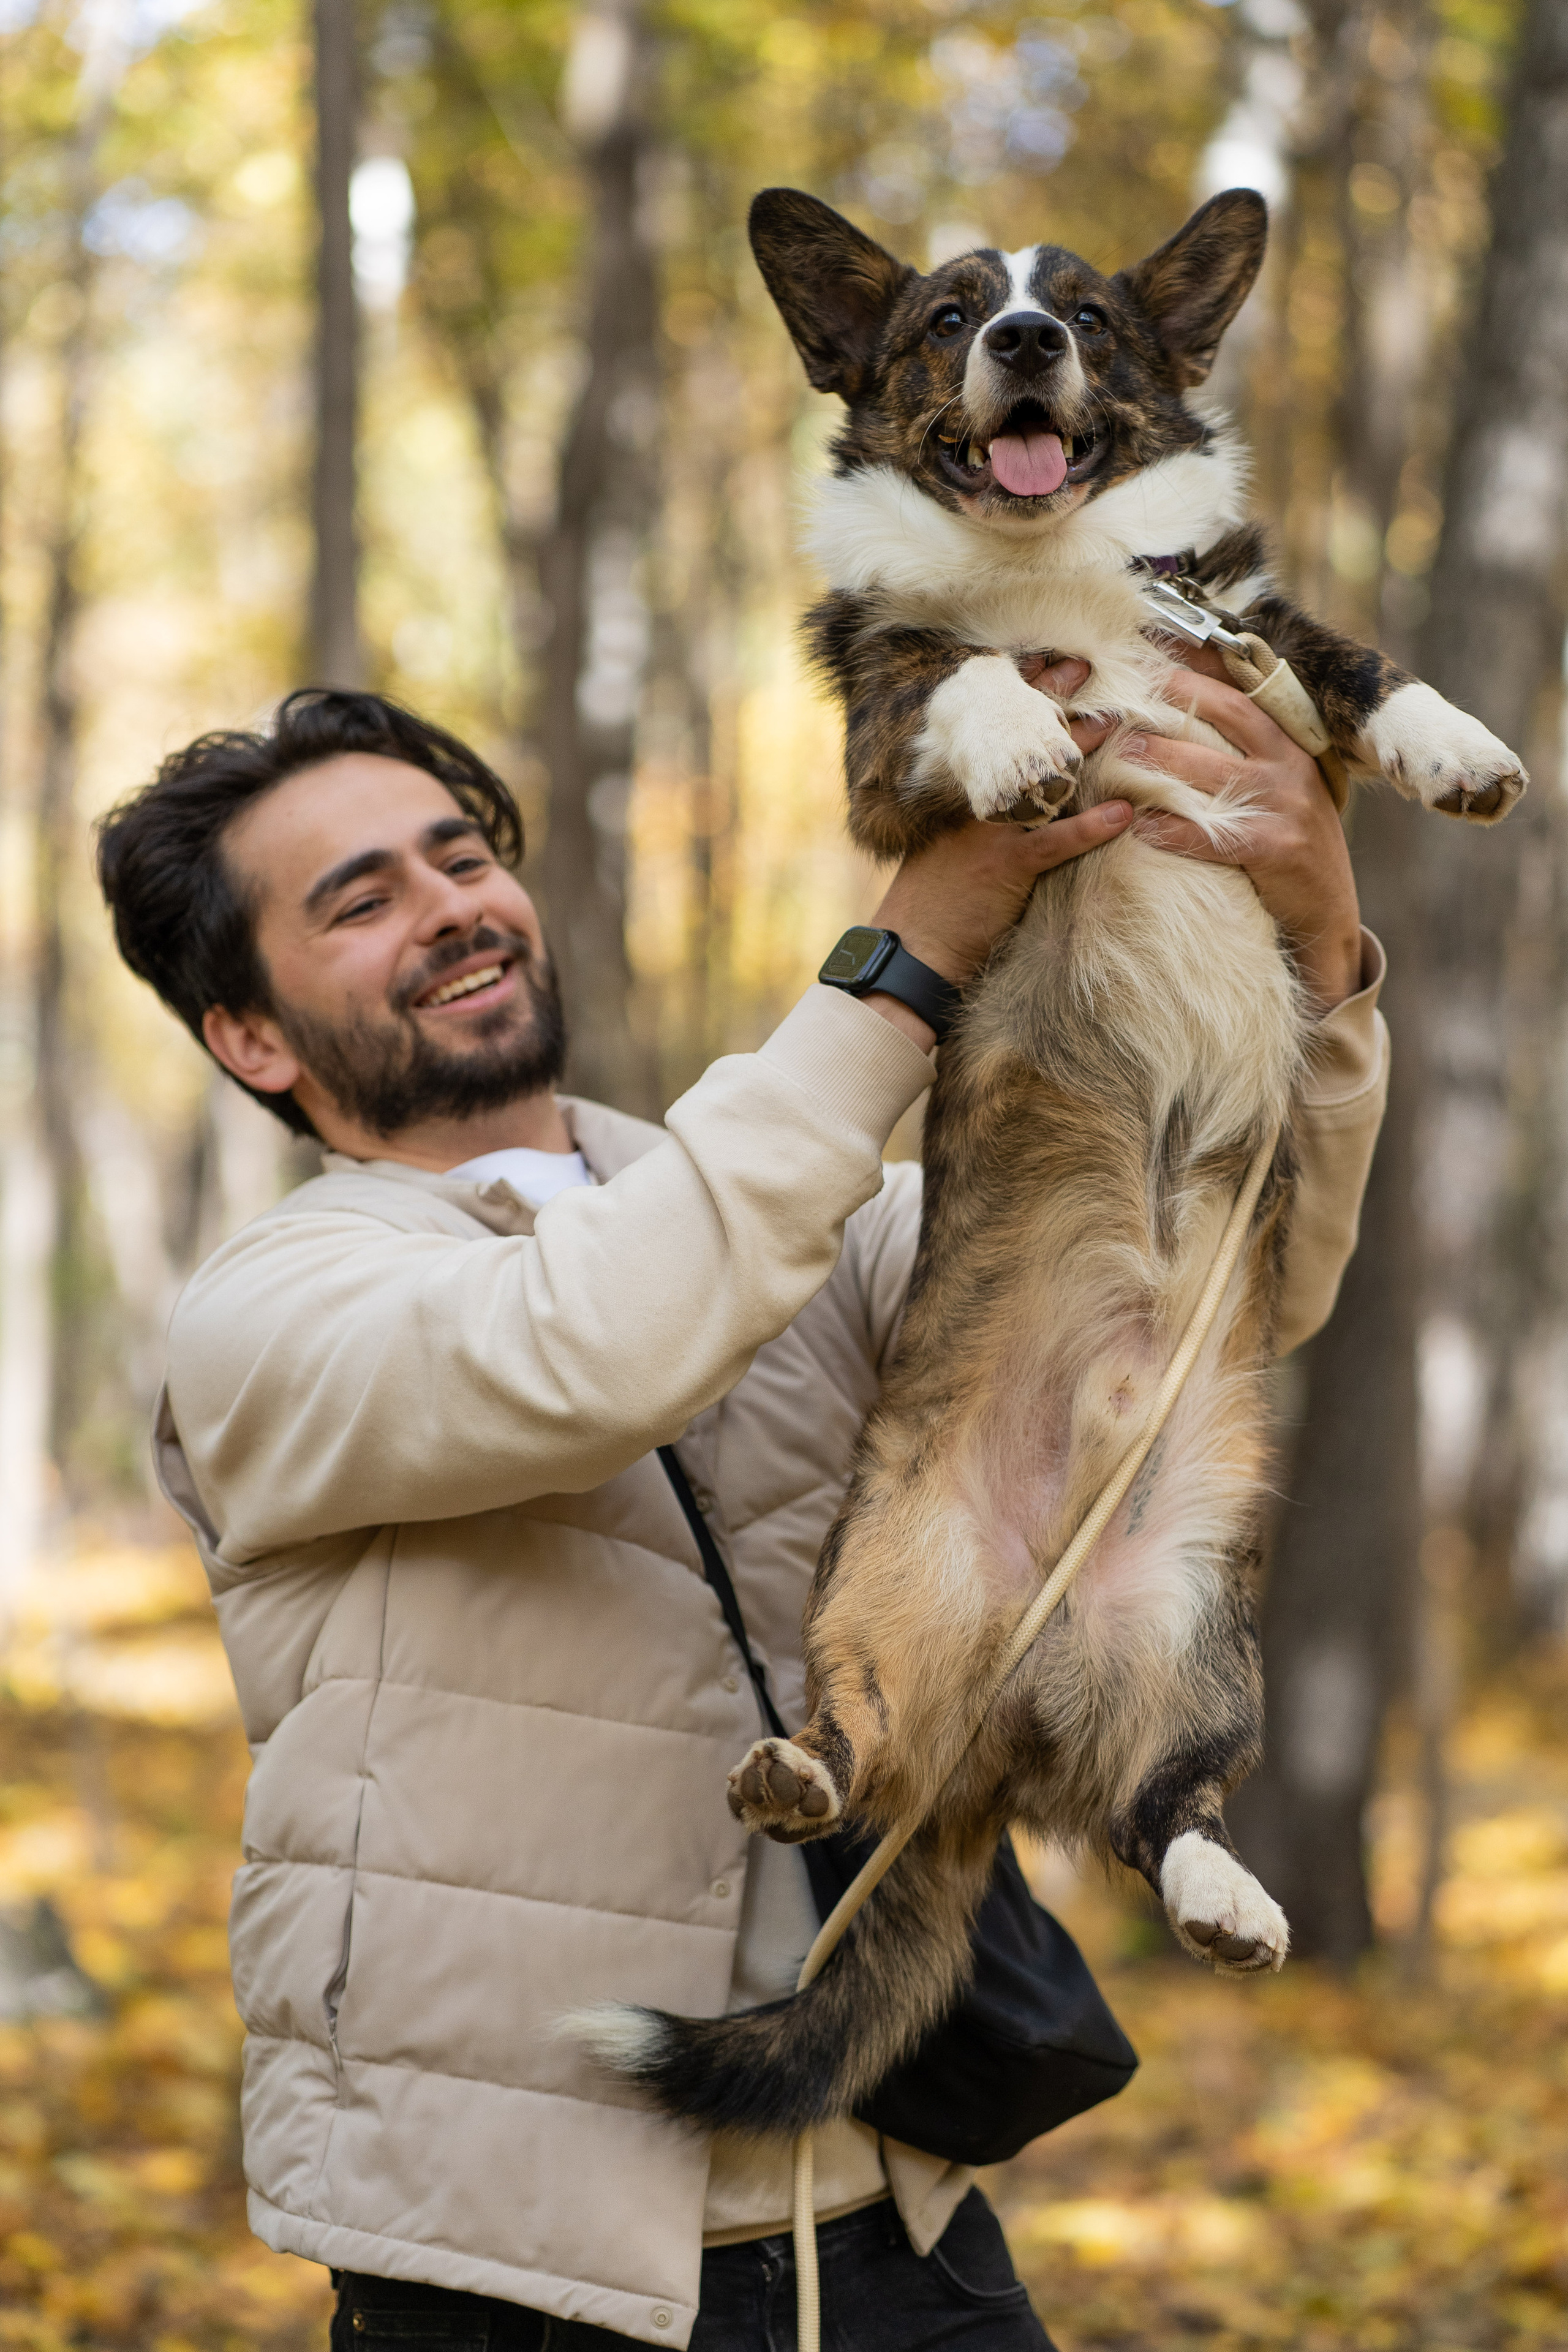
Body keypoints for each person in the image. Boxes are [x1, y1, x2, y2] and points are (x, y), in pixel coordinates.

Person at [97, 661, 1385, 2351]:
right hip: (512, 2273)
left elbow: (1213, 1292)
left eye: (461, 855)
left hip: (891, 2220)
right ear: (251, 1035)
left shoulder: (786, 1202)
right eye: (362, 899)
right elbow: (594, 1344)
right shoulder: (272, 1310)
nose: (451, 907)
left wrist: (1320, 949)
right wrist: (904, 955)